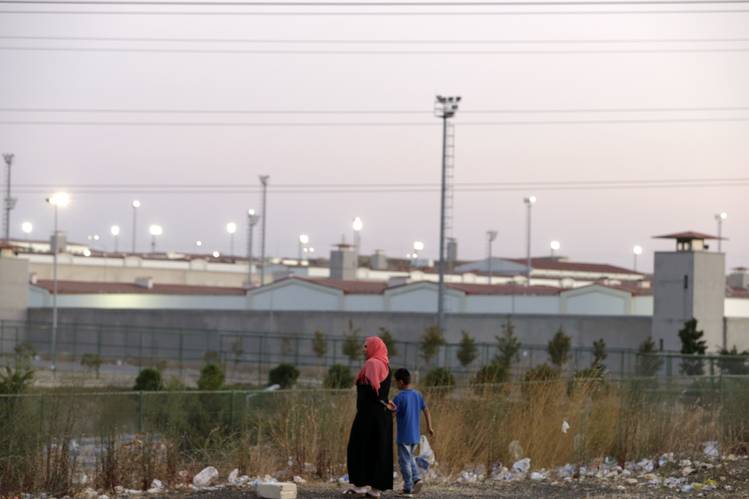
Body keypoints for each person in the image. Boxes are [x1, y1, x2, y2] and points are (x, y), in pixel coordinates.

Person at [345, 336, 393, 497]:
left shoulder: (372, 364)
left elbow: (373, 389)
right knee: (379, 450)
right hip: (382, 416)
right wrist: (386, 402)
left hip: (368, 417)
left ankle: (360, 485)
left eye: (366, 346)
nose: (363, 349)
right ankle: (375, 490)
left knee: (359, 447)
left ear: (374, 347)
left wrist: (382, 400)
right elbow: (381, 393)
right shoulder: (386, 364)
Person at [389, 368, 434, 498]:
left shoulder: (399, 397)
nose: (396, 385)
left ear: (401, 382)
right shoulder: (417, 395)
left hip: (403, 436)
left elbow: (393, 415)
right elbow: (426, 410)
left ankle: (408, 488)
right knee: (411, 458)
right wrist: (430, 427)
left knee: (404, 462)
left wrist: (389, 410)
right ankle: (417, 479)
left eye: (396, 382)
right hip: (415, 435)